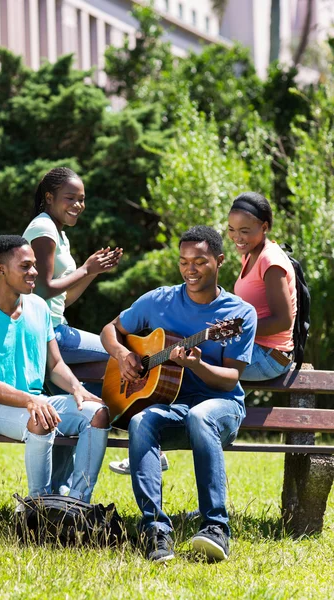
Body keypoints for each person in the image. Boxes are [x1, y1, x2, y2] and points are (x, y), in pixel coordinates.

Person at [100, 226, 257, 562]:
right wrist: (122, 354)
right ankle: (155, 529)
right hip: (170, 405)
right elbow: (110, 329)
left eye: (199, 261)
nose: (190, 269)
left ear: (220, 261)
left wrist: (197, 365)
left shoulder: (238, 314)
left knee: (201, 416)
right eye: (184, 261)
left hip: (222, 408)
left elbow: (230, 380)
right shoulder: (159, 300)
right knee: (141, 421)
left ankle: (215, 527)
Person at [0, 235, 110, 502]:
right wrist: (31, 400)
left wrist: (77, 389)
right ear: (1, 269)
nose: (34, 272)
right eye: (25, 266)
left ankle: (75, 505)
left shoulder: (39, 307)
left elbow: (56, 364)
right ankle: (37, 506)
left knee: (98, 414)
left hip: (40, 401)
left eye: (34, 265)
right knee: (40, 419)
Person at [23, 167, 122, 381]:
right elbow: (41, 290)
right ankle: (55, 378)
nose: (78, 205)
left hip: (56, 327)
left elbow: (62, 300)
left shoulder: (59, 234)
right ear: (49, 197)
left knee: (112, 370)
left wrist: (93, 272)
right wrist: (85, 269)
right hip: (47, 333)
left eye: (82, 199)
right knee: (120, 355)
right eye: (70, 198)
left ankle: (61, 382)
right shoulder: (43, 230)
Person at [228, 192, 296, 381]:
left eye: (244, 230)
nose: (236, 237)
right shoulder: (249, 254)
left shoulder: (270, 260)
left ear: (264, 227)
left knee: (203, 368)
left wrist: (237, 329)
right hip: (253, 346)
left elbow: (283, 321)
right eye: (231, 229)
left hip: (271, 356)